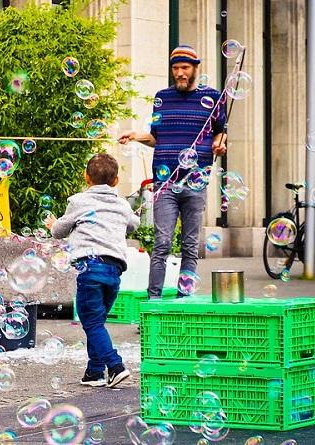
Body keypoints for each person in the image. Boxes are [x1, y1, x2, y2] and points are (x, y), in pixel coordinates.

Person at [118, 45, 228, 299]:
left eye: (184, 68)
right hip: (165, 182)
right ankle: (153, 302)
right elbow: (156, 138)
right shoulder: (162, 98)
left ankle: (183, 301)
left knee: (190, 246)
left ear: (195, 69)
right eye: (175, 68)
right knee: (162, 244)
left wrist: (220, 144)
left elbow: (220, 132)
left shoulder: (213, 98)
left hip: (195, 182)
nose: (179, 73)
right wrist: (136, 136)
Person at [45, 154, 140, 388]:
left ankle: (115, 366)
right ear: (116, 181)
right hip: (114, 270)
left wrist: (52, 224)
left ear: (86, 178)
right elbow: (133, 225)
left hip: (90, 268)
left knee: (92, 322)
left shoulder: (79, 201)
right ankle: (95, 372)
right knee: (97, 321)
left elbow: (59, 231)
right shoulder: (122, 204)